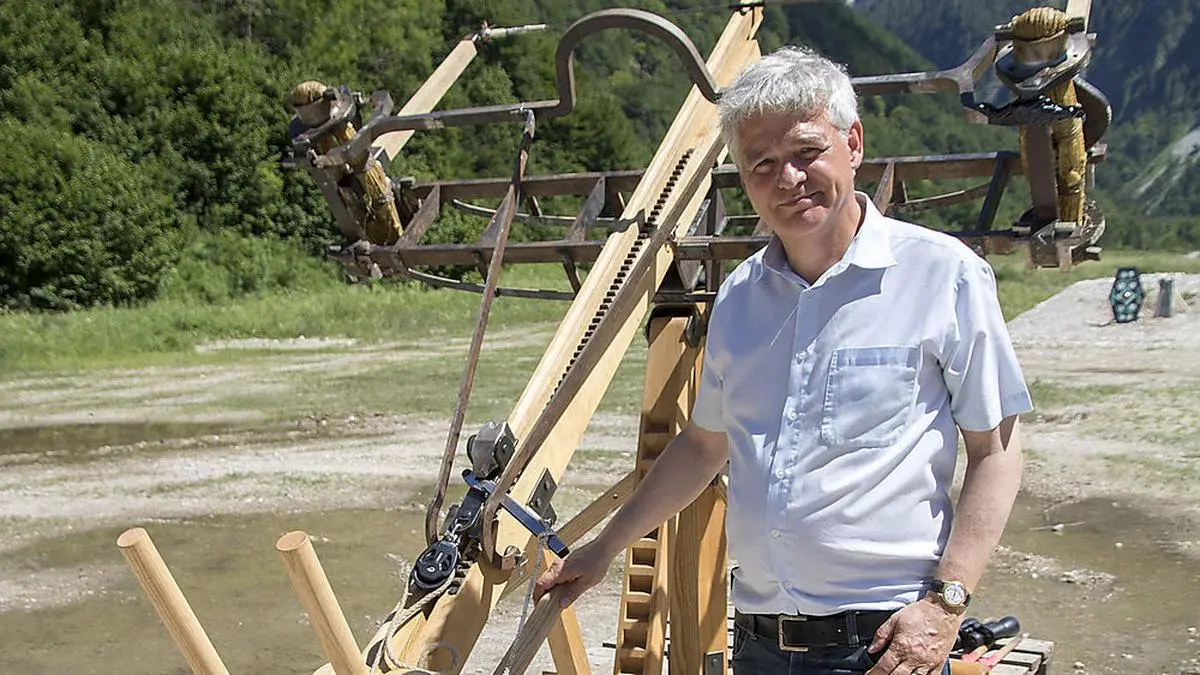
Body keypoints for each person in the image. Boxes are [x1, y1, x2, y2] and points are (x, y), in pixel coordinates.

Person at [534, 46, 1032, 675]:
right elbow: (702, 446)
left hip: (882, 643)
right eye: (762, 164)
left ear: (852, 143)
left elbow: (998, 450)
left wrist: (946, 604)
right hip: (762, 642)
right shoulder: (740, 297)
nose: (788, 179)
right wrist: (604, 548)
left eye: (805, 152)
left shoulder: (944, 275)